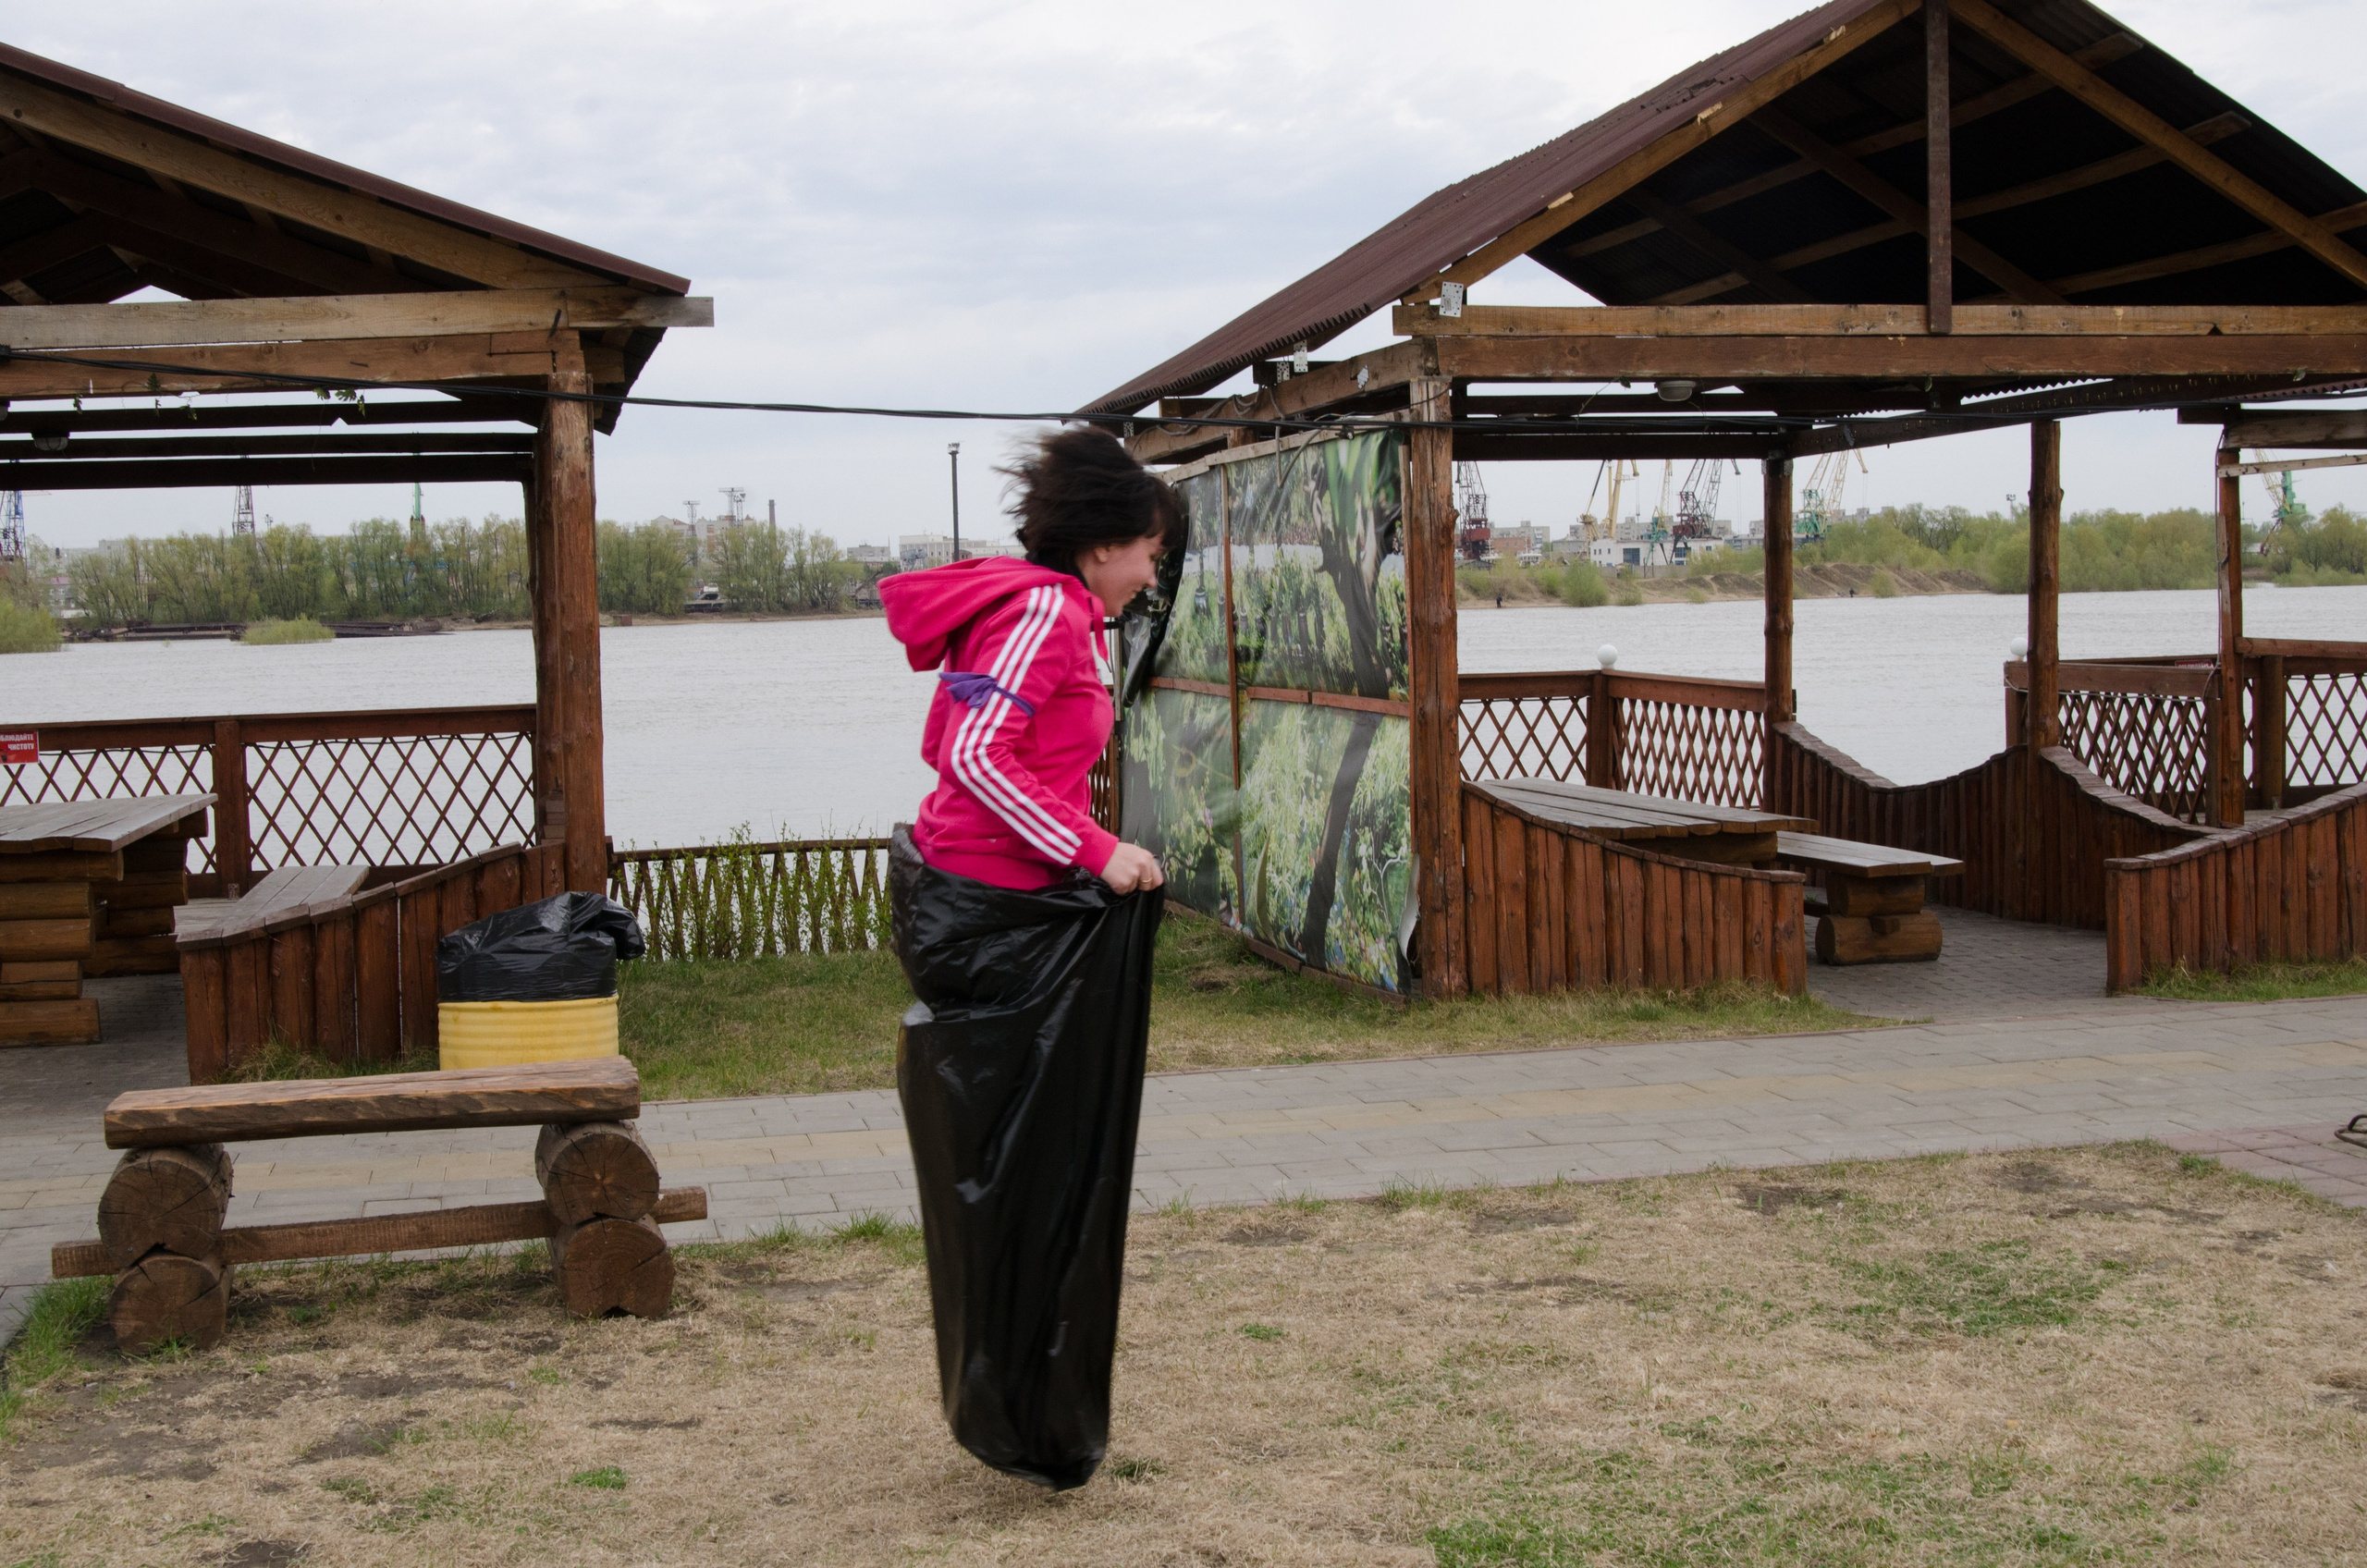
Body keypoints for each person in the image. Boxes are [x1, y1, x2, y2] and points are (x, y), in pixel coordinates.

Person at [881, 427, 1179, 895]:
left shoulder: (1031, 605)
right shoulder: (1045, 615)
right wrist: (1094, 848)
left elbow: (941, 740)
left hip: (986, 883)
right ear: (1106, 543)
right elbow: (973, 755)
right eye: (1152, 556)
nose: (1152, 579)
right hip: (992, 891)